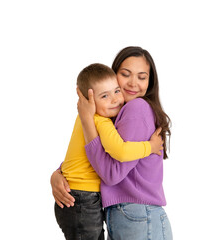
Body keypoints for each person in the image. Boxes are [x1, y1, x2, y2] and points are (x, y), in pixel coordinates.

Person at [54, 63, 164, 240]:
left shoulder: (91, 117)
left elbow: (103, 162)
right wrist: (149, 147)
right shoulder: (100, 120)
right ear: (88, 100)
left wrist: (59, 173)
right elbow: (119, 151)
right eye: (104, 95)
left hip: (87, 199)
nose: (114, 99)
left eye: (116, 92)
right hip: (82, 198)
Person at [76, 46, 173, 239]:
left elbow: (112, 174)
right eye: (125, 74)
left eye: (142, 77)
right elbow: (95, 159)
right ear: (114, 75)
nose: (133, 83)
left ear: (150, 82)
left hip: (137, 216)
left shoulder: (136, 108)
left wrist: (87, 122)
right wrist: (60, 174)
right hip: (134, 216)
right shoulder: (115, 114)